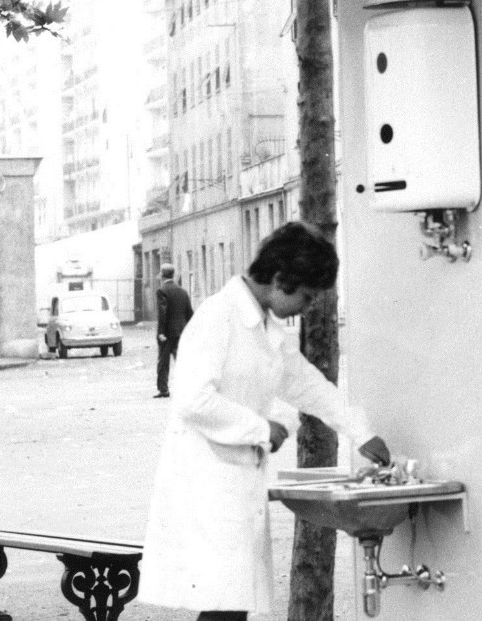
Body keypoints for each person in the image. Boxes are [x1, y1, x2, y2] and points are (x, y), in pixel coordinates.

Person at [138, 222, 391, 621]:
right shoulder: (218, 316)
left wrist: (361, 432)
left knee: (233, 607)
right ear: (280, 279)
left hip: (235, 481)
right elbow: (192, 399)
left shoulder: (267, 329)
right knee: (225, 607)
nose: (307, 308)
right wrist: (261, 428)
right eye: (306, 297)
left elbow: (309, 386)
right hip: (207, 483)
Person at [154, 264, 193, 398]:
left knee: (163, 363)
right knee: (182, 362)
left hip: (167, 334)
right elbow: (189, 313)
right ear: (173, 275)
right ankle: (188, 389)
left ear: (162, 275)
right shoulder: (182, 292)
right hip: (181, 333)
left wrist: (161, 332)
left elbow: (162, 313)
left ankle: (163, 389)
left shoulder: (161, 291)